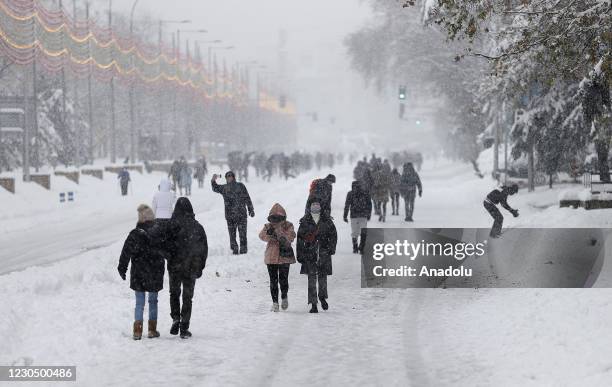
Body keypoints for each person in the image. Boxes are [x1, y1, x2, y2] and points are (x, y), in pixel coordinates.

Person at [157, 198, 208, 339]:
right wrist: (200, 266)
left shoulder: (170, 226)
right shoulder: (197, 227)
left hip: (175, 266)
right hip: (191, 266)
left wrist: (169, 256)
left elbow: (161, 245)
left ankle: (175, 318)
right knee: (187, 297)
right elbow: (204, 248)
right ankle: (184, 327)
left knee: (174, 293)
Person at [117, 204, 165, 340]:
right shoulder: (159, 232)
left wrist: (122, 267)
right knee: (153, 301)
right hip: (155, 272)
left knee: (139, 302)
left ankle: (137, 331)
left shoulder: (135, 233)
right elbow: (167, 250)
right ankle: (152, 330)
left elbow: (126, 252)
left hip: (139, 273)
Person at [297, 199, 337, 313]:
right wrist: (300, 254)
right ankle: (313, 304)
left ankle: (322, 297)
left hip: (324, 252)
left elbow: (334, 235)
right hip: (309, 253)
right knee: (311, 279)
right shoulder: (305, 221)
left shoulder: (327, 220)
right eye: (313, 204)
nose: (315, 206)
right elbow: (300, 239)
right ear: (310, 207)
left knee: (322, 277)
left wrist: (331, 248)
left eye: (317, 204)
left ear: (320, 206)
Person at [259, 203, 296, 312]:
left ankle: (284, 297)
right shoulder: (267, 226)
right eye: (274, 218)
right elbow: (261, 236)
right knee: (273, 281)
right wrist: (269, 234)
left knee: (283, 280)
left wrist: (279, 233)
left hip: (285, 257)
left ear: (283, 217)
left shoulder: (288, 225)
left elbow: (291, 236)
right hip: (271, 257)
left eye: (278, 218)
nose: (276, 220)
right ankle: (275, 303)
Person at [211, 171, 255, 254]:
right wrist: (213, 180)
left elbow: (247, 198)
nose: (229, 177)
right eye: (227, 176)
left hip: (241, 214)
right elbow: (215, 188)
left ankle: (243, 249)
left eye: (230, 176)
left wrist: (251, 209)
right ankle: (234, 248)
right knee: (232, 234)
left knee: (242, 233)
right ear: (226, 178)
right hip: (230, 215)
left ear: (234, 177)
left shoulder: (240, 186)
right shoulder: (224, 188)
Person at [343, 181, 372, 254]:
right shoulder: (365, 192)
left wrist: (345, 216)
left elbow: (347, 205)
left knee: (354, 232)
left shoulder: (350, 193)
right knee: (363, 231)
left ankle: (355, 247)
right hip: (363, 215)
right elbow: (369, 204)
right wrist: (369, 214)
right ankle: (362, 247)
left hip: (354, 216)